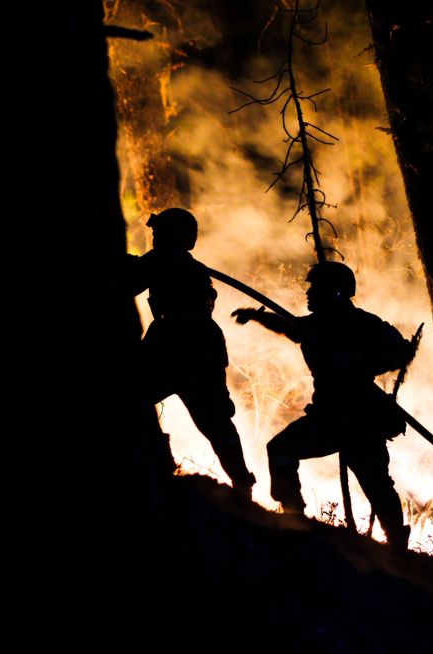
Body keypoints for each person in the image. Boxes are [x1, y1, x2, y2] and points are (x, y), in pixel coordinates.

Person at [232, 262, 413, 550]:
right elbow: (290, 326)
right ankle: (294, 517)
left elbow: (400, 352)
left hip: (361, 418)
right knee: (280, 450)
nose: (309, 294)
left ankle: (396, 542)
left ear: (336, 293)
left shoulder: (365, 324)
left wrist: (360, 364)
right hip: (328, 417)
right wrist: (256, 317)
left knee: (376, 482)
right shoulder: (315, 325)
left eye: (316, 289)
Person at [126, 208, 256, 496]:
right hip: (200, 343)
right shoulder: (189, 266)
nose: (154, 236)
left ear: (171, 235)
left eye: (158, 231)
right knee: (216, 420)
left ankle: (152, 464)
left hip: (174, 344)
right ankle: (242, 482)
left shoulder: (163, 260)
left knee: (128, 400)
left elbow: (128, 281)